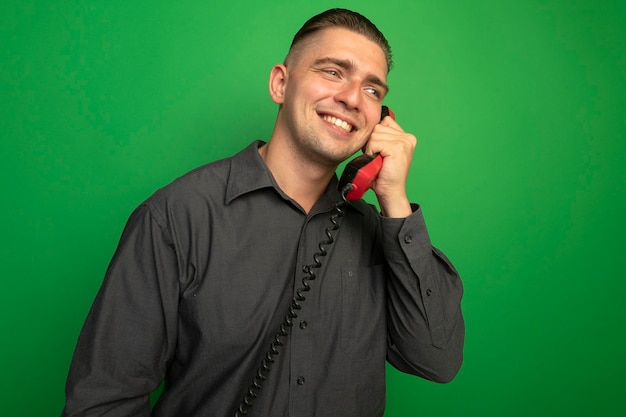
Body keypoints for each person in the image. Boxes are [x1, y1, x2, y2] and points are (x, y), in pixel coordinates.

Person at [61, 8, 464, 417]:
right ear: (280, 84)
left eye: (373, 91)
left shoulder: (380, 233)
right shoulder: (175, 218)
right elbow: (102, 402)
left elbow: (437, 359)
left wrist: (394, 198)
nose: (352, 99)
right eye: (332, 72)